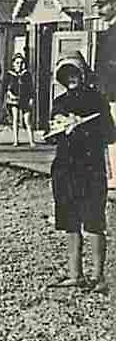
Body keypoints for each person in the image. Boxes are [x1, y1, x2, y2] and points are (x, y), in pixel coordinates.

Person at [46, 52, 115, 294]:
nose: (71, 78)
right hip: (65, 168)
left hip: (91, 169)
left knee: (94, 221)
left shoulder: (97, 99)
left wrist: (83, 128)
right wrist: (59, 129)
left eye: (75, 72)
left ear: (83, 73)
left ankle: (98, 276)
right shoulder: (60, 101)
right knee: (70, 221)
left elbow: (110, 134)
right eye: (66, 74)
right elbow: (51, 133)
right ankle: (75, 274)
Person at [1, 53, 35, 147]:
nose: (19, 65)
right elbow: (5, 87)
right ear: (13, 63)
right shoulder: (10, 74)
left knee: (27, 120)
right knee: (15, 119)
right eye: (17, 63)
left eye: (20, 63)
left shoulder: (26, 74)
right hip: (14, 99)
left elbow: (31, 87)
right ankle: (16, 140)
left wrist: (31, 98)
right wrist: (9, 93)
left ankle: (31, 141)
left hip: (25, 99)